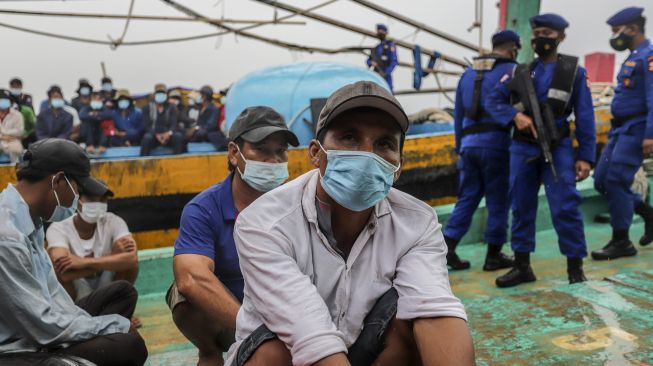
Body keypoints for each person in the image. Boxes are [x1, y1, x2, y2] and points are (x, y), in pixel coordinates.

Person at [224, 81, 474, 366]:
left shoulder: (417, 223)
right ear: (316, 153)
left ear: (398, 166)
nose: (367, 154)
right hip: (291, 353)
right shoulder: (263, 223)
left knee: (411, 322)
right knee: (277, 351)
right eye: (349, 138)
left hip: (358, 347)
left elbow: (437, 310)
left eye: (384, 144)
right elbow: (310, 336)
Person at [168, 106, 299, 366]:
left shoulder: (299, 203)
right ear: (233, 153)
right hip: (231, 316)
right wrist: (251, 329)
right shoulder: (204, 208)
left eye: (280, 151)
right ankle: (209, 352)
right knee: (184, 294)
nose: (272, 161)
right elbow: (191, 277)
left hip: (290, 309)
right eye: (260, 149)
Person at [0, 138, 147, 366]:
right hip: (14, 348)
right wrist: (115, 326)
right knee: (129, 346)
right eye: (78, 189)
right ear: (58, 180)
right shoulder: (6, 236)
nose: (76, 199)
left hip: (39, 330)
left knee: (122, 295)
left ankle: (68, 355)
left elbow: (56, 299)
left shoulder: (32, 221)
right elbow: (42, 325)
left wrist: (100, 328)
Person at [486, 13, 596, 287]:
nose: (540, 39)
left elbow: (585, 116)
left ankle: (575, 267)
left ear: (560, 37)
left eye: (547, 33)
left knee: (565, 206)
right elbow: (493, 100)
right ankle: (522, 266)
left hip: (557, 147)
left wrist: (585, 157)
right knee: (522, 206)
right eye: (537, 34)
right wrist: (515, 117)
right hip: (523, 148)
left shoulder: (574, 72)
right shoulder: (520, 71)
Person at [442, 30, 521, 272]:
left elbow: (457, 116)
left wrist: (460, 147)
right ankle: (494, 256)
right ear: (513, 49)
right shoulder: (513, 71)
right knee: (498, 200)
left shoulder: (467, 74)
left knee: (467, 198)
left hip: (468, 146)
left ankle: (447, 249)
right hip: (496, 145)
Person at [592, 7, 653, 260]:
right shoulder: (632, 57)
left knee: (616, 180)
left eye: (617, 31)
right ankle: (648, 214)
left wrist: (650, 135)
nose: (615, 36)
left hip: (637, 130)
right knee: (601, 180)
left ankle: (622, 241)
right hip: (620, 130)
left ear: (633, 29)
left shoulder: (648, 57)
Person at [46, 181, 138, 302]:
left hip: (107, 282)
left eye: (102, 200)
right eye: (91, 199)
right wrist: (113, 258)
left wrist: (83, 262)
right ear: (77, 201)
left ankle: (116, 309)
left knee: (131, 267)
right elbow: (64, 273)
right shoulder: (59, 227)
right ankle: (72, 313)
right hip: (77, 289)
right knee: (56, 270)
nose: (97, 204)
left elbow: (131, 260)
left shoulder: (113, 221)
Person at [140, 83, 184, 156]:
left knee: (178, 137)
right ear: (154, 95)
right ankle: (143, 162)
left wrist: (168, 133)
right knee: (147, 138)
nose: (160, 95)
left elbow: (174, 124)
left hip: (167, 136)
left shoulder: (171, 107)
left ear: (166, 95)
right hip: (154, 136)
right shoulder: (147, 107)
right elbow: (146, 125)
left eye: (163, 93)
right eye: (158, 93)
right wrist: (156, 135)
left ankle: (178, 161)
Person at [187, 86, 228, 151]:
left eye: (201, 94)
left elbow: (211, 125)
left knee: (201, 133)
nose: (199, 97)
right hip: (200, 132)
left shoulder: (214, 109)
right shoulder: (200, 108)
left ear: (205, 96)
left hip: (208, 133)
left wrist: (196, 129)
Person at [366, 24, 398, 93]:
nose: (380, 33)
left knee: (388, 95)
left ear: (386, 33)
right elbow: (368, 60)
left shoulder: (390, 45)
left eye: (381, 31)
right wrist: (371, 62)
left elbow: (394, 61)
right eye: (378, 31)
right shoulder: (375, 48)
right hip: (375, 76)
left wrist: (385, 73)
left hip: (385, 76)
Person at [0, 89, 25, 163]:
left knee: (16, 149)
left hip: (13, 142)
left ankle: (14, 171)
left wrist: (3, 132)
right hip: (4, 140)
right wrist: (3, 137)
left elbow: (19, 132)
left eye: (6, 99)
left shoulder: (18, 115)